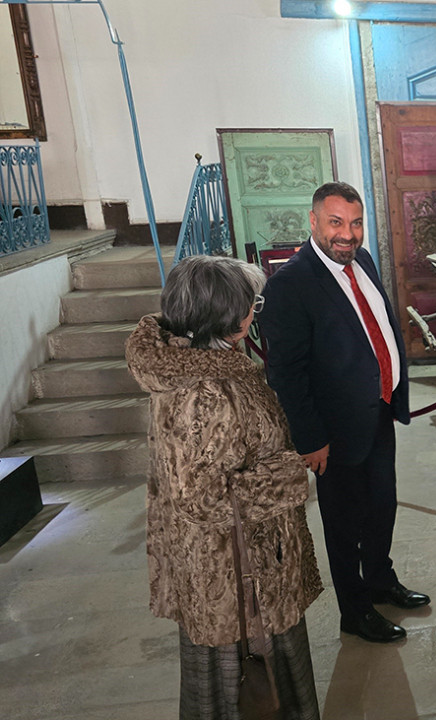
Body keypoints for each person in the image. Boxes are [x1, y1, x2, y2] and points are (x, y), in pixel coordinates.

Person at [126, 255, 322, 719]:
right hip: (235, 577)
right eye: (251, 303)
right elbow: (202, 498)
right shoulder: (205, 391)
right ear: (227, 317)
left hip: (245, 563)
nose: (255, 311)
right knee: (246, 687)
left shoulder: (206, 365)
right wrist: (289, 474)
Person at [259, 181, 429, 644]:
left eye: (355, 223)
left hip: (377, 411)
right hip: (333, 432)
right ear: (313, 221)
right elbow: (287, 374)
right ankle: (354, 611)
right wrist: (310, 439)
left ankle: (380, 580)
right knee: (343, 523)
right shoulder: (290, 285)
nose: (347, 234)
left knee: (382, 506)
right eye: (336, 222)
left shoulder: (362, 260)